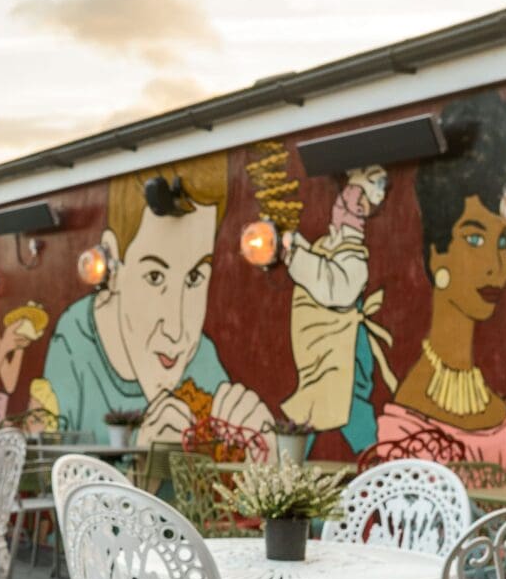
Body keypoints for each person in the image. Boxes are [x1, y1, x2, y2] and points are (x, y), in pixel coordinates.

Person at [31, 154, 274, 448]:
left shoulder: (199, 356)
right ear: (114, 263)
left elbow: (211, 477)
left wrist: (260, 458)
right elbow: (55, 477)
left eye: (195, 277)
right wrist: (144, 462)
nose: (176, 330)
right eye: (155, 277)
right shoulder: (73, 342)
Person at [364, 91, 506, 482]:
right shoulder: (407, 425)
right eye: (474, 239)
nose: (496, 266)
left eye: (502, 242)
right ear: (436, 255)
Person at [282, 163, 397, 455]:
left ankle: (378, 472)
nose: (346, 204)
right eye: (346, 196)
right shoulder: (330, 245)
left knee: (344, 406)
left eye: (355, 200)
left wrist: (294, 253)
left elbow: (335, 288)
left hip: (343, 354)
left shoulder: (353, 256)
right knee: (315, 408)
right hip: (321, 353)